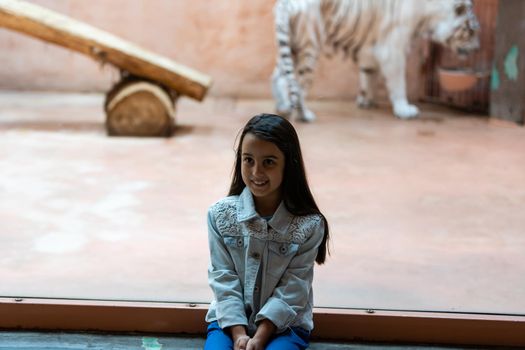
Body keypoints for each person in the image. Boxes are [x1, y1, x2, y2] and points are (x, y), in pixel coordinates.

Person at [204, 113, 330, 350]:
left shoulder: (310, 225)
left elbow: (294, 288)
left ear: (288, 164)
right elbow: (223, 279)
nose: (256, 172)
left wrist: (260, 338)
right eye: (248, 160)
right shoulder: (219, 216)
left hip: (286, 325)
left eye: (269, 162)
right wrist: (239, 335)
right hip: (229, 324)